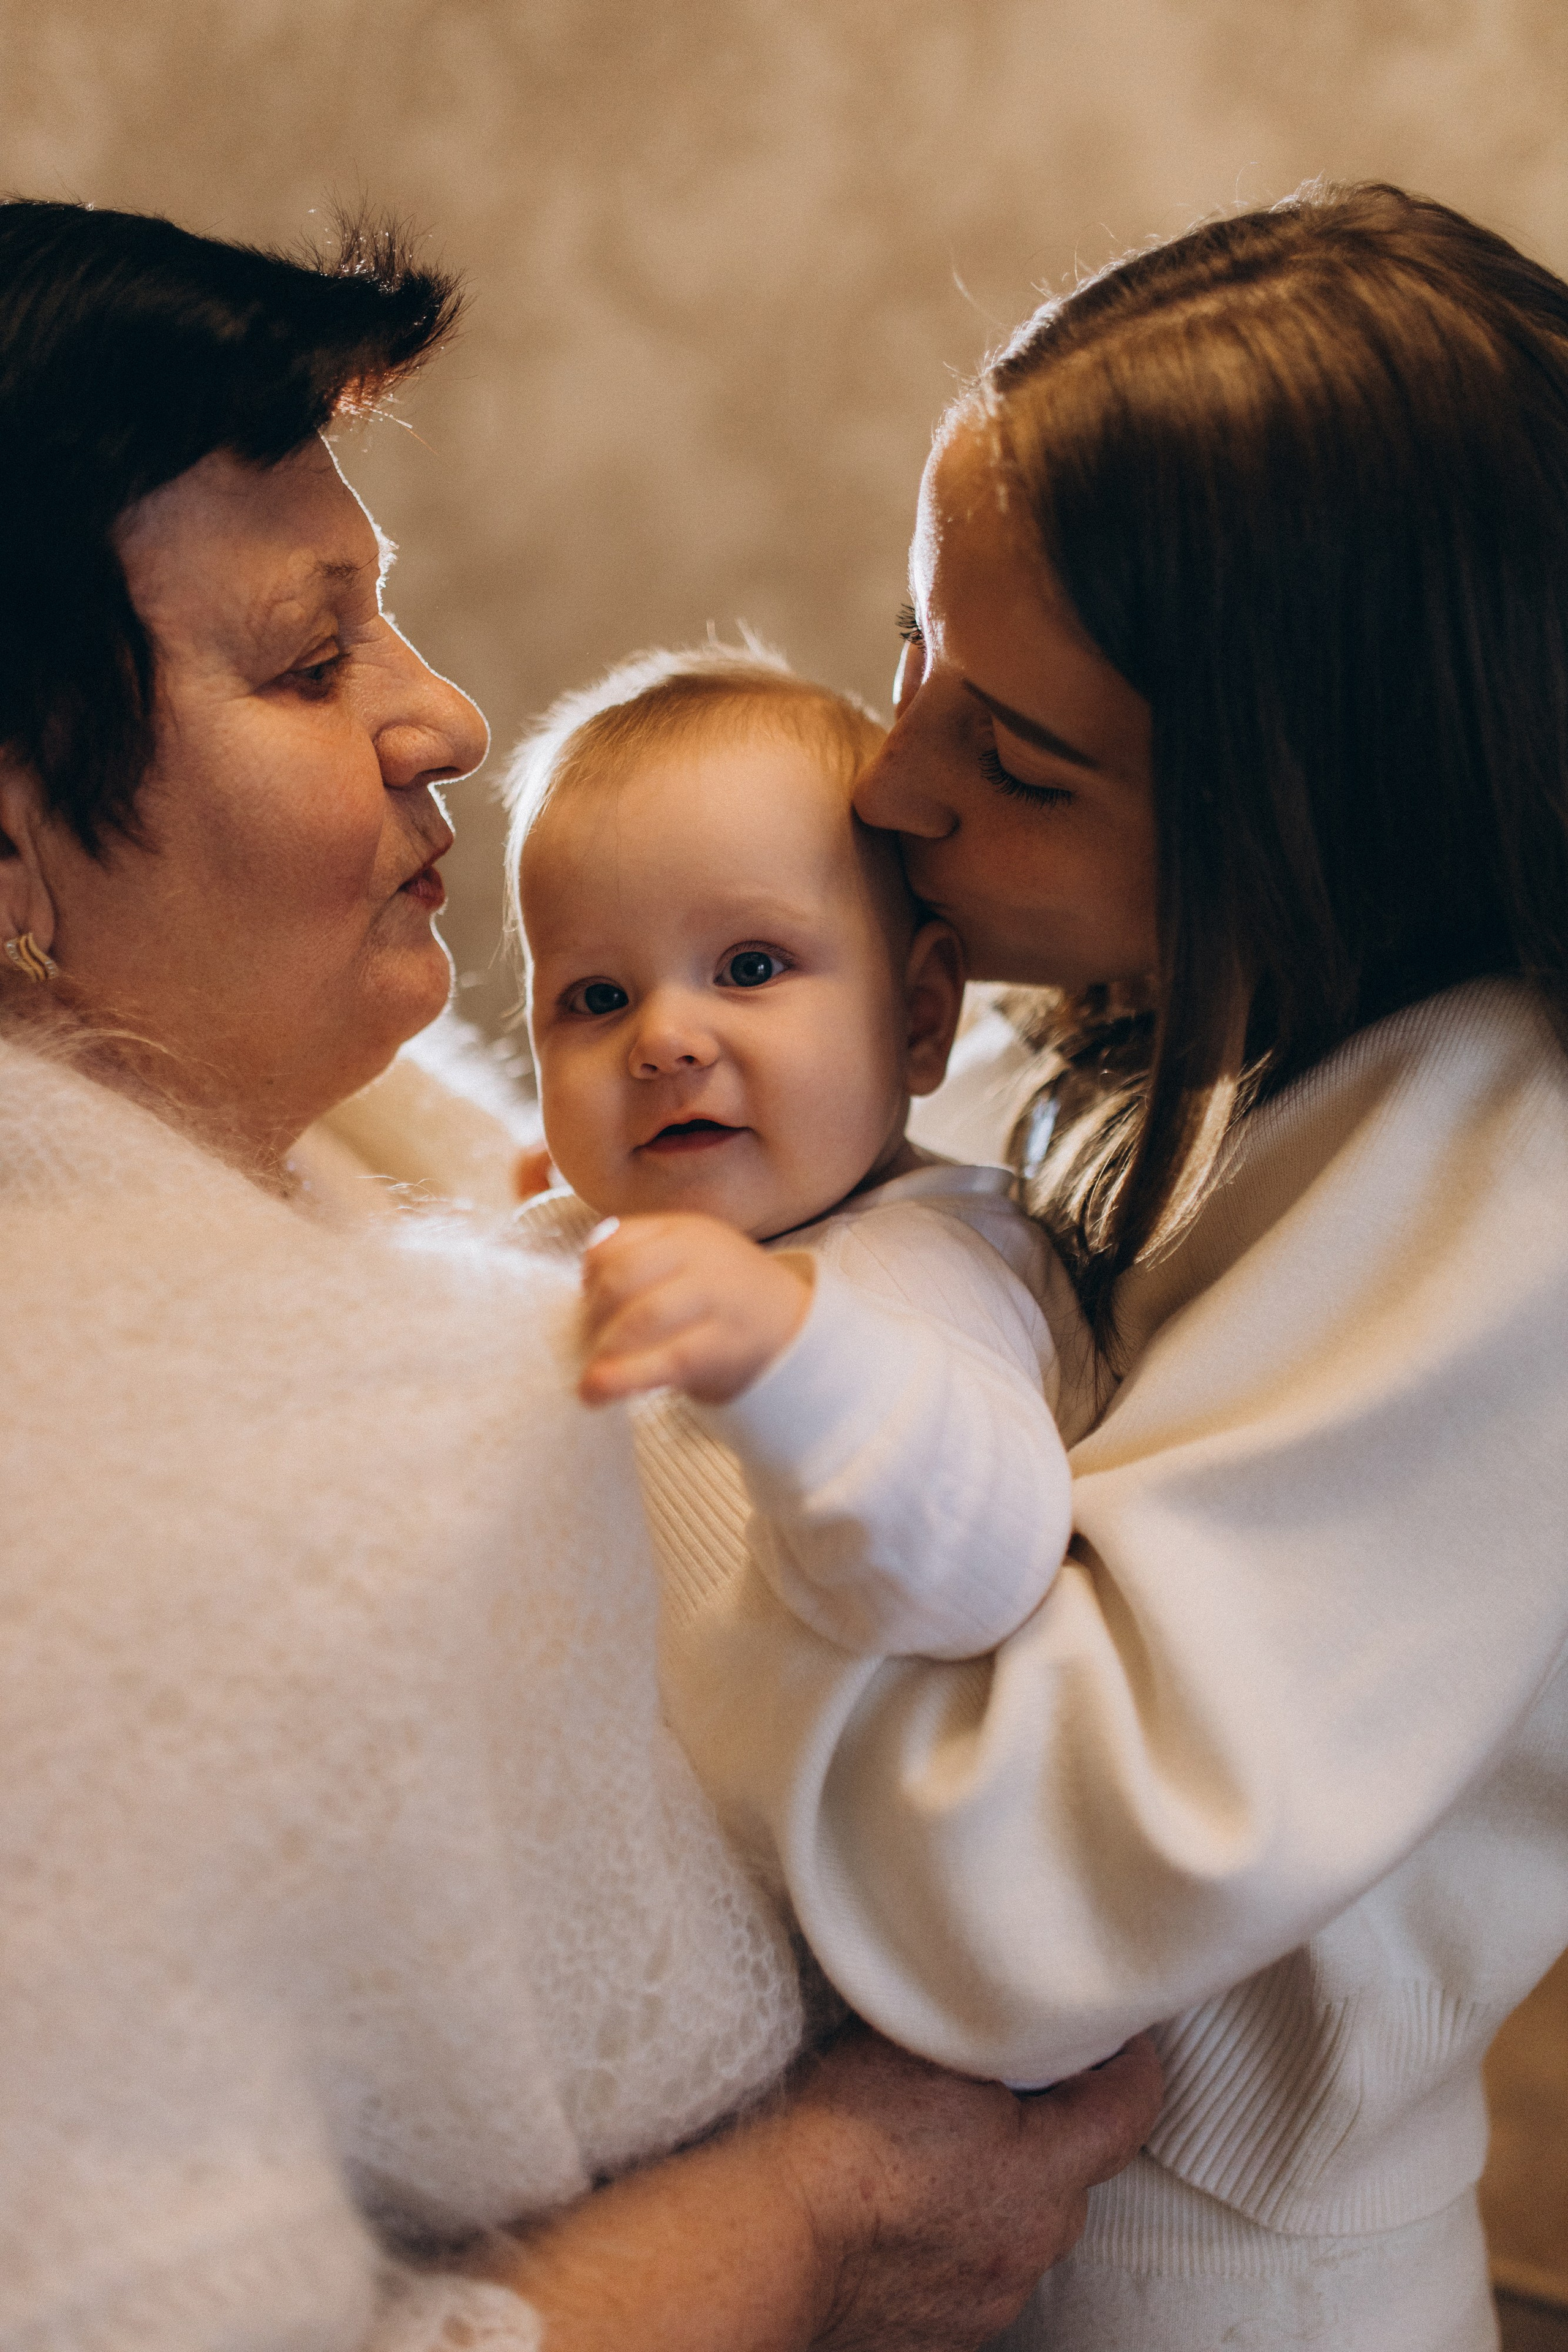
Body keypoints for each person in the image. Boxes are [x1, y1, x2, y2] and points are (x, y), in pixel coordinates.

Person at [0, 198, 1163, 2352]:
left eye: (395, 628)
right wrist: (814, 2218)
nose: (442, 715)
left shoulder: (395, 1142)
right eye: (306, 655)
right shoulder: (117, 1514)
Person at [663, 182, 1568, 2352]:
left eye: (1024, 758)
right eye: (916, 656)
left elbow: (1028, 1876)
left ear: (1332, 810)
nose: (891, 780)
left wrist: (660, 1428)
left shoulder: (1501, 1182)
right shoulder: (1183, 1028)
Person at [508, 639, 1086, 1668]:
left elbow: (985, 1568)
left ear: (916, 1017)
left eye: (750, 966)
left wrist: (790, 1353)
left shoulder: (927, 1262)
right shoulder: (614, 1221)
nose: (664, 1041)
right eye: (598, 999)